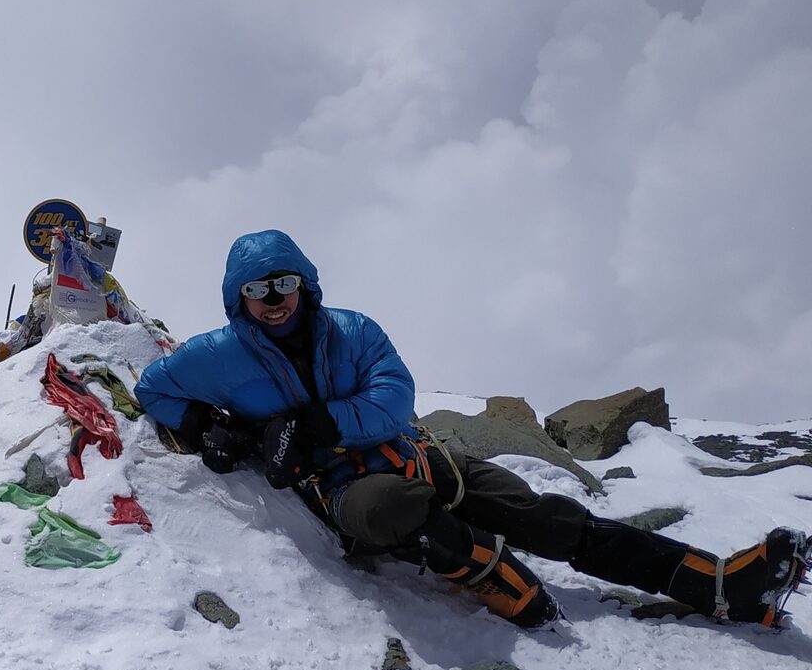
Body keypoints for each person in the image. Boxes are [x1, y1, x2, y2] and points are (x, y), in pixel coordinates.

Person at [135, 229, 808, 629]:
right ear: (238, 298)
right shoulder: (215, 355)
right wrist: (204, 425)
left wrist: (317, 420)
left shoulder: (353, 330)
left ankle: (717, 585)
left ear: (305, 284)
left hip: (418, 454)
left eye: (285, 283)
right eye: (259, 290)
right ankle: (492, 574)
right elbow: (151, 387)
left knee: (549, 517)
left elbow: (395, 401)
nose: (275, 300)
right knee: (395, 507)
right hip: (343, 487)